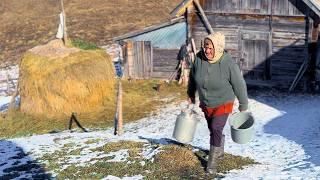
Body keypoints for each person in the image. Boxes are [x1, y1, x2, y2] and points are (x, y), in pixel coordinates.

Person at [187, 32, 248, 174]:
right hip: (206, 102)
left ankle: (211, 165)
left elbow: (239, 85)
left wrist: (243, 105)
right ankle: (219, 150)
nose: (207, 51)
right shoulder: (199, 59)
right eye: (205, 47)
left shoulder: (228, 63)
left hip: (223, 101)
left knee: (215, 128)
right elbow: (192, 77)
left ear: (219, 47)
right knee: (213, 129)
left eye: (210, 48)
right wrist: (191, 94)